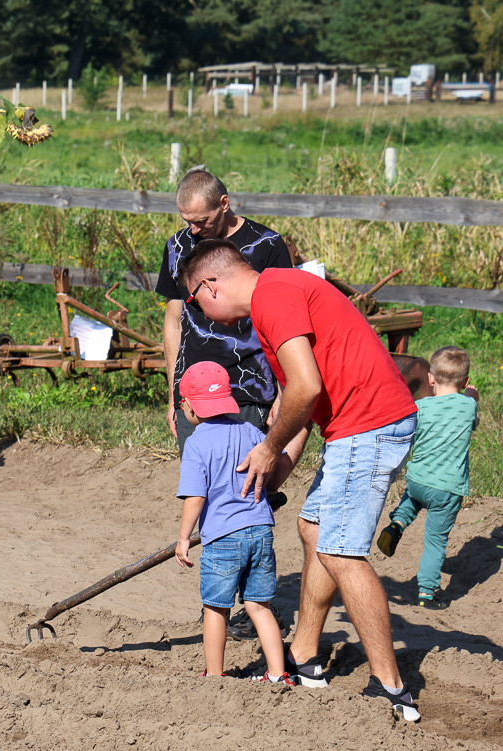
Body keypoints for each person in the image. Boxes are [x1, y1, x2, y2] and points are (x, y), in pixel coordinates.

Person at [178, 238, 421, 721]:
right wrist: (276, 470)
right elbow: (301, 404)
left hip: (368, 423)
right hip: (354, 427)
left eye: (194, 301)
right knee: (313, 527)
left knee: (340, 550)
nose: (202, 315)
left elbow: (305, 389)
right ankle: (306, 655)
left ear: (210, 285)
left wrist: (267, 448)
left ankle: (392, 688)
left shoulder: (274, 295)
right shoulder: (276, 300)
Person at [174, 360, 305, 683]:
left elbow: (196, 497)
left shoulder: (197, 443)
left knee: (216, 609)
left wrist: (183, 538)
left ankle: (216, 675)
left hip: (222, 537)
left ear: (188, 406)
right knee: (258, 605)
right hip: (260, 530)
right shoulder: (251, 432)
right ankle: (278, 674)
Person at [156, 169, 293, 454]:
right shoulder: (177, 247)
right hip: (192, 395)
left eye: (202, 221)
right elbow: (173, 322)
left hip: (248, 391)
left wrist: (284, 394)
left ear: (224, 204)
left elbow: (285, 325)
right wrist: (173, 395)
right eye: (188, 222)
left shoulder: (267, 246)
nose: (194, 230)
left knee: (248, 488)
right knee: (199, 487)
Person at [377, 346, 479, 609]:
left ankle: (397, 523)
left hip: (418, 480)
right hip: (447, 489)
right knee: (435, 542)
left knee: (412, 498)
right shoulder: (468, 406)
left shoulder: (419, 407)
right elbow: (472, 408)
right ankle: (426, 593)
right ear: (465, 381)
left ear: (431, 378)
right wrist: (472, 393)